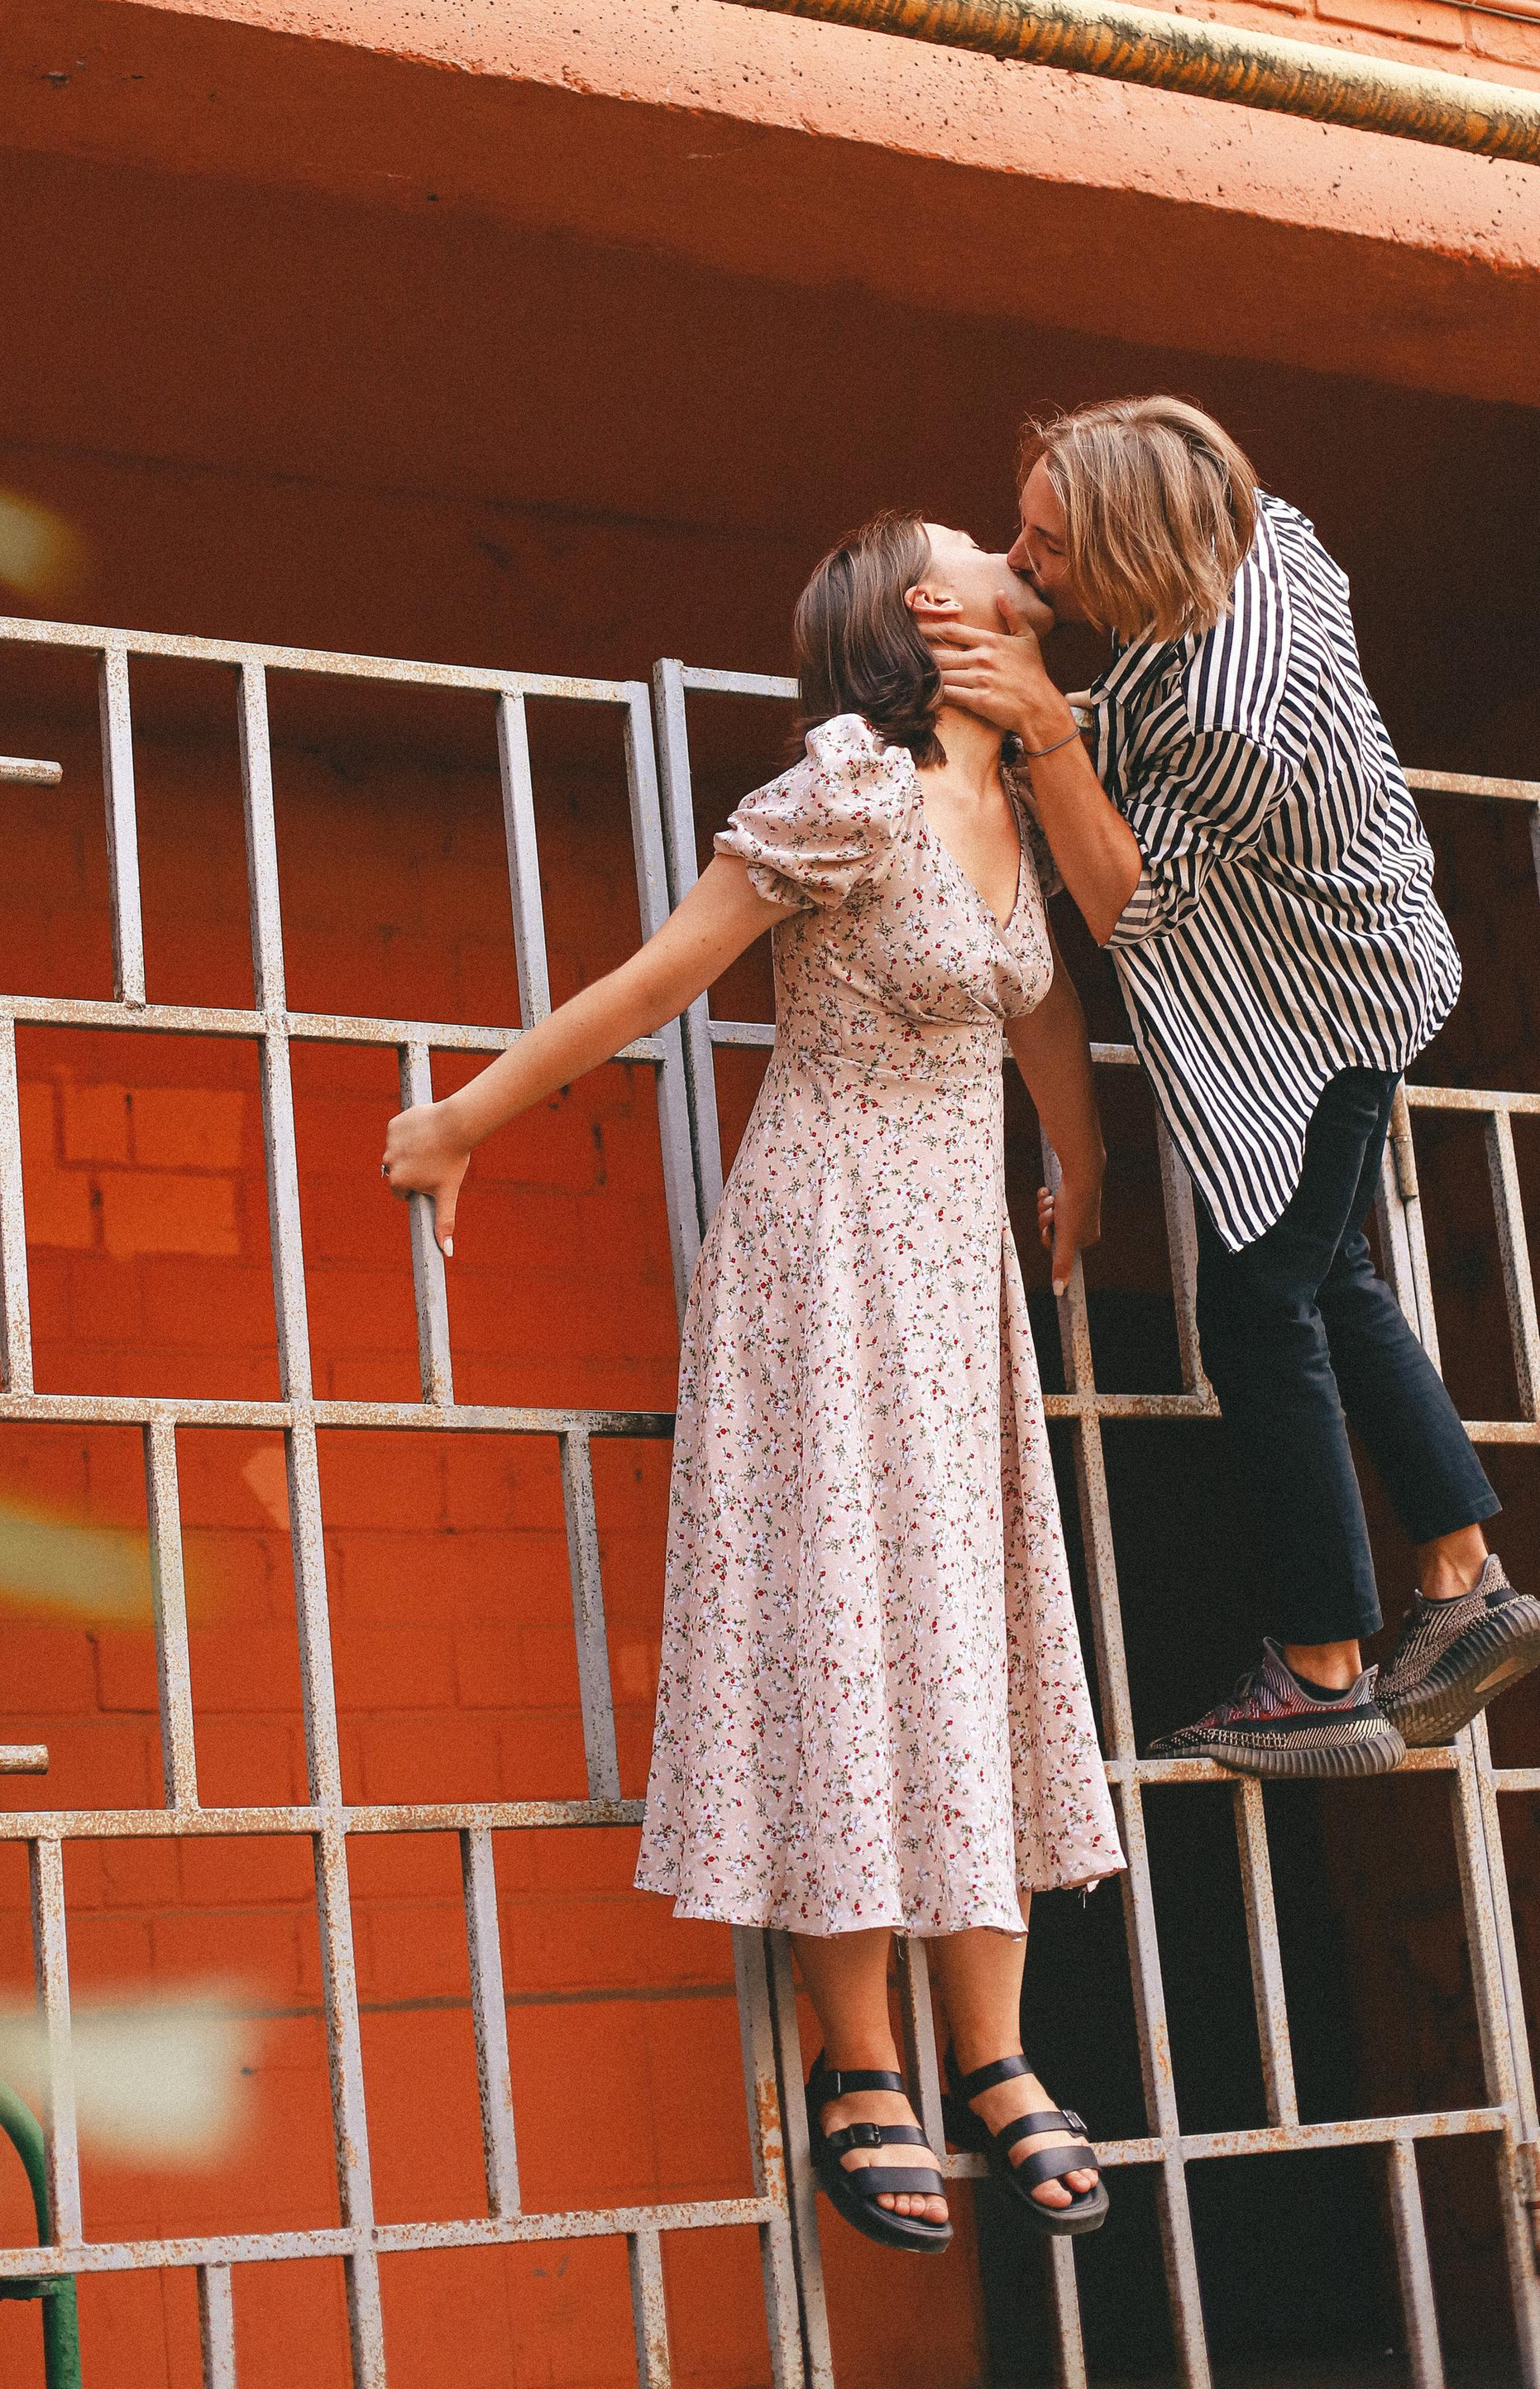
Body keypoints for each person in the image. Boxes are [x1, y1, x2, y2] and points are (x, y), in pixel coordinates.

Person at [383, 516, 1122, 2255]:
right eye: (977, 553)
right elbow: (667, 974)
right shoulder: (847, 787)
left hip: (953, 1283)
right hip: (825, 1264)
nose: (1020, 564)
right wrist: (462, 1122)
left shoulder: (1019, 792)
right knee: (841, 1640)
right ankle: (860, 2059)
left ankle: (994, 2049)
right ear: (916, 619)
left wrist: (1074, 1171)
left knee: (972, 1629)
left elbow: (1037, 1010)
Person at [920, 395, 1540, 1776]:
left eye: (1050, 549)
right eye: (1020, 532)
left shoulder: (1224, 712)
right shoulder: (1258, 530)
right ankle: (1462, 1582)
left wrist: (1045, 731)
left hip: (1323, 996)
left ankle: (1326, 1665)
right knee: (1330, 1275)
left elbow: (1120, 899)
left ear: (1138, 551)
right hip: (1345, 948)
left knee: (1261, 1310)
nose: (1024, 569)